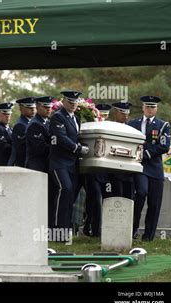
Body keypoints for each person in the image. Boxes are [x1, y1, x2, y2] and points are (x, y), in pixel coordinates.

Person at [128, 96, 170, 241]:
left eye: (153, 107)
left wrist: (146, 153)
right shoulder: (133, 124)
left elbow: (164, 146)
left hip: (155, 168)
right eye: (148, 106)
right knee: (140, 193)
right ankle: (131, 231)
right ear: (143, 108)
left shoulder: (163, 125)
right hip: (139, 167)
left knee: (154, 202)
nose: (150, 109)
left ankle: (148, 236)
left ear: (156, 109)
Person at [49, 91, 89, 231]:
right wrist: (78, 148)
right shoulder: (58, 117)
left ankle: (65, 229)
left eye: (75, 102)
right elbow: (61, 138)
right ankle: (55, 228)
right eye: (70, 102)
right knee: (64, 189)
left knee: (70, 195)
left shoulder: (75, 118)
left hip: (72, 164)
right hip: (59, 162)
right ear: (64, 101)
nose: (73, 104)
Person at [82, 103, 113, 237]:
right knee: (94, 200)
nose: (103, 117)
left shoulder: (111, 129)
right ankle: (93, 229)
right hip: (92, 171)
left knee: (102, 201)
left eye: (106, 115)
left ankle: (99, 229)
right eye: (101, 114)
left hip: (106, 172)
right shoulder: (90, 127)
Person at [109, 102, 134, 200]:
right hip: (113, 170)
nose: (125, 115)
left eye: (127, 113)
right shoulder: (109, 127)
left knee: (129, 199)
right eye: (122, 113)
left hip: (128, 171)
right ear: (115, 112)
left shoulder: (132, 128)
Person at [25, 96, 53, 172]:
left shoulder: (48, 121)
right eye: (45, 106)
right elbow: (40, 148)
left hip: (47, 164)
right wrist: (59, 149)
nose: (48, 109)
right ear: (37, 107)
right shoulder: (34, 124)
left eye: (50, 106)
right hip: (37, 167)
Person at [8, 97, 36, 167]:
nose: (33, 109)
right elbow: (21, 150)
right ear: (21, 108)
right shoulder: (20, 125)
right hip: (22, 164)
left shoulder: (33, 122)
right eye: (29, 107)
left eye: (34, 107)